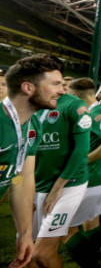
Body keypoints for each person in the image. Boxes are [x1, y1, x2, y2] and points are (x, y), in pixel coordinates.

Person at [2, 54, 64, 268]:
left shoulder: (32, 125)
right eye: (55, 84)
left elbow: (23, 179)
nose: (62, 90)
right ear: (28, 88)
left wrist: (25, 234)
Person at [31, 68, 92, 268]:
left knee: (43, 253)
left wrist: (58, 188)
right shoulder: (31, 106)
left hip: (68, 184)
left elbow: (81, 149)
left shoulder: (74, 105)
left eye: (59, 83)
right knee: (28, 251)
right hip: (38, 184)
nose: (60, 88)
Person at [65, 78, 101, 267]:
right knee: (90, 220)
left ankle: (87, 257)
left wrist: (84, 160)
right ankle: (92, 251)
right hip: (99, 174)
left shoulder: (97, 114)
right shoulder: (93, 111)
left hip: (97, 175)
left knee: (70, 225)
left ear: (76, 96)